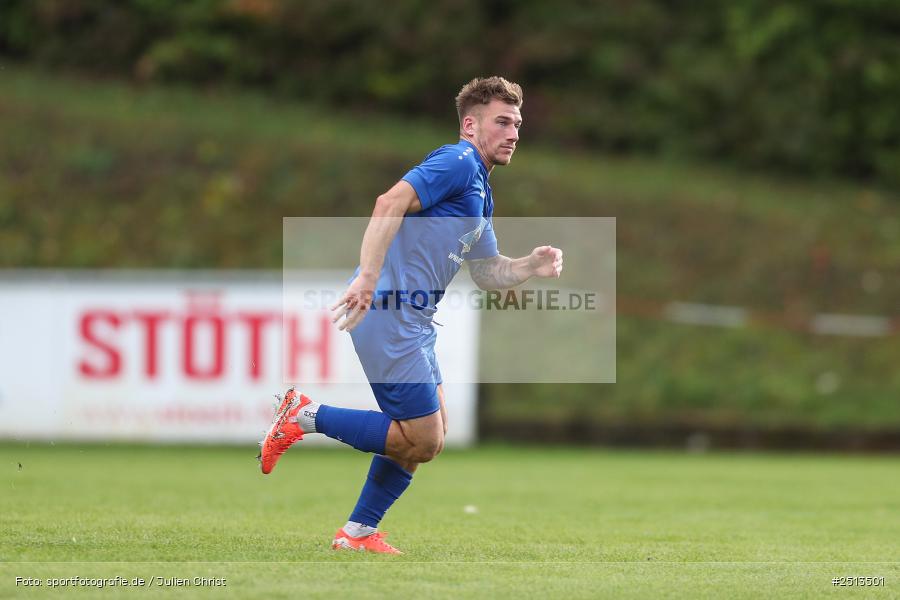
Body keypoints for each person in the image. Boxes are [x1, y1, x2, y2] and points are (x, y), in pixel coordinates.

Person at [258, 76, 563, 554]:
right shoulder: (458, 161)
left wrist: (528, 266)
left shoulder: (480, 190)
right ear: (470, 125)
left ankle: (358, 532)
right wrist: (368, 277)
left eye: (518, 124)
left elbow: (487, 272)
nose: (513, 133)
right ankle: (303, 415)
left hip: (414, 321)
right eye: (502, 122)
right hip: (389, 310)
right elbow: (390, 202)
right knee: (422, 439)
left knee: (427, 436)